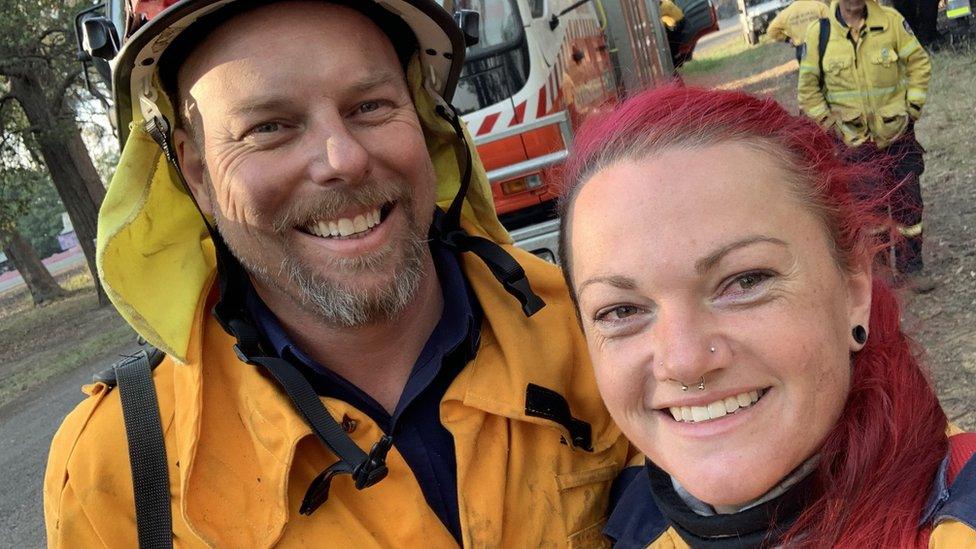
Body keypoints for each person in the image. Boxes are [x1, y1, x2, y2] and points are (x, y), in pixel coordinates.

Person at [43, 0, 632, 545]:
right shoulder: (118, 469)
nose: (343, 159)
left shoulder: (600, 332)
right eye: (268, 127)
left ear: (425, 122)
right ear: (197, 173)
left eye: (370, 107)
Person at [556, 86, 976, 547]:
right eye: (622, 310)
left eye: (746, 281)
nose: (685, 361)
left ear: (854, 285)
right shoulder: (625, 519)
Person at [798, 0, 934, 292]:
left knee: (908, 204)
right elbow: (808, 89)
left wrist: (912, 107)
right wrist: (828, 123)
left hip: (897, 136)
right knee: (870, 212)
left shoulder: (891, 21)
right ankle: (882, 275)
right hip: (853, 143)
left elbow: (919, 63)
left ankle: (912, 267)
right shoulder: (819, 33)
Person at [765, 0, 829, 63]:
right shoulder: (819, 6)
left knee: (808, 73)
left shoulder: (786, 13)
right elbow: (832, 22)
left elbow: (771, 31)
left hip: (802, 50)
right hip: (823, 46)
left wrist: (787, 39)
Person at [660, 0, 687, 70]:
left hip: (678, 23)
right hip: (680, 21)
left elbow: (660, 19)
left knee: (671, 43)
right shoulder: (667, 2)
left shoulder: (663, 6)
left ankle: (676, 62)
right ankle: (677, 60)